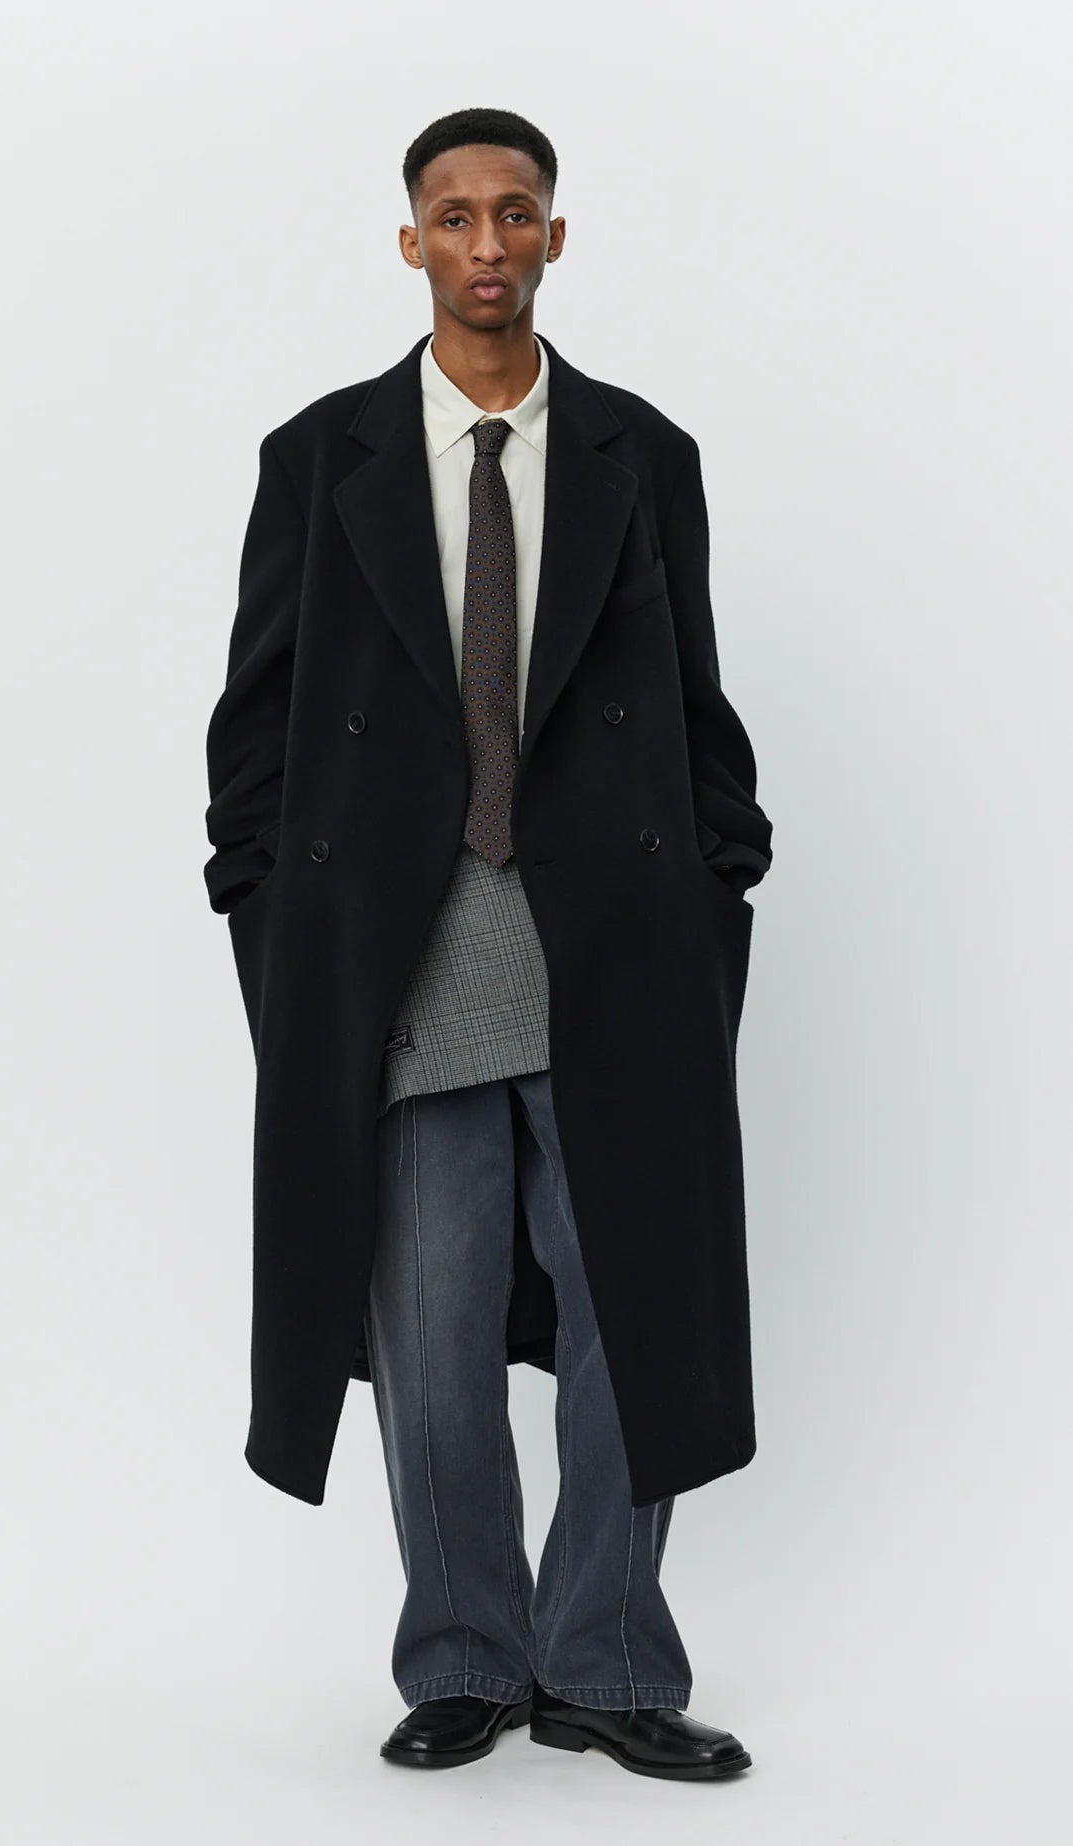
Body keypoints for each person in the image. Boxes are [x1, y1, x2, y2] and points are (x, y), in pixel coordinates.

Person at [203, 106, 773, 1780]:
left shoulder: (639, 453)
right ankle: (462, 1651)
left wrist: (715, 892)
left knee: (629, 1315)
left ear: (553, 237)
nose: (486, 243)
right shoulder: (321, 459)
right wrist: (274, 920)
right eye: (454, 215)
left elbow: (696, 706)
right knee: (431, 1329)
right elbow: (255, 729)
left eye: (515, 212)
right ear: (412, 242)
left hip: (615, 947)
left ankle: (608, 1661)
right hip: (403, 954)